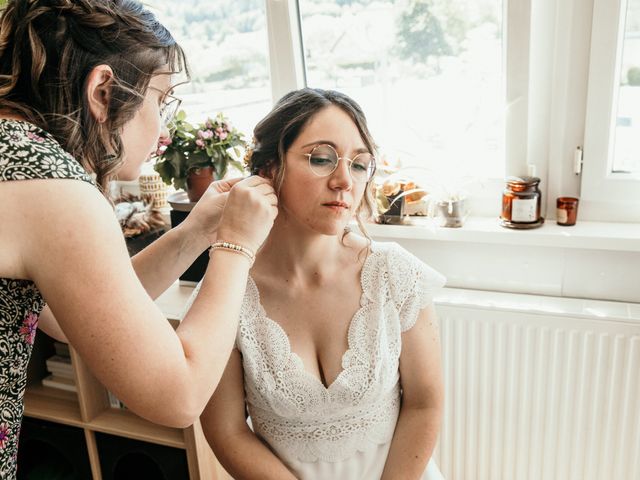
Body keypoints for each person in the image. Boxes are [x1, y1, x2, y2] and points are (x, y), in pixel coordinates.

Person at [0, 0, 277, 476]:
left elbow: (67, 318)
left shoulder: (14, 153)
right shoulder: (51, 187)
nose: (164, 129)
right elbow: (180, 396)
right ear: (103, 90)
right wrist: (236, 246)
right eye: (161, 99)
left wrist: (196, 231)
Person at [198, 88, 446, 479]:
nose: (344, 180)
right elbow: (225, 430)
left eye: (360, 164)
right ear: (269, 170)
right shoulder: (227, 293)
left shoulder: (396, 274)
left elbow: (424, 404)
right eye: (321, 159)